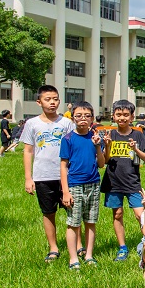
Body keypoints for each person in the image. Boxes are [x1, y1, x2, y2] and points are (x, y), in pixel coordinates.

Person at [21, 85, 76, 263]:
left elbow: (74, 147)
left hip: (66, 175)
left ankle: (78, 245)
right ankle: (53, 247)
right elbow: (28, 151)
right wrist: (28, 178)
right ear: (39, 102)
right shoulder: (32, 124)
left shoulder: (67, 123)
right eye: (48, 99)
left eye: (55, 99)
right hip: (43, 175)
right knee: (48, 212)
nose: (52, 103)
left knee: (74, 211)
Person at [101, 99, 145, 262]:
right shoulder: (110, 134)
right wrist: (107, 145)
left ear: (132, 117)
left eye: (126, 115)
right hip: (113, 181)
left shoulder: (138, 134)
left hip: (132, 181)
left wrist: (135, 148)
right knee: (117, 214)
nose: (122, 118)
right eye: (118, 114)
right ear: (113, 116)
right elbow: (105, 161)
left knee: (140, 215)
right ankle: (122, 247)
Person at [59, 101, 105, 270]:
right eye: (78, 116)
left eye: (87, 116)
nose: (83, 119)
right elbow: (63, 166)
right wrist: (65, 191)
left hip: (93, 183)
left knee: (91, 221)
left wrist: (98, 146)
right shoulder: (68, 139)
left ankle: (89, 255)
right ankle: (73, 258)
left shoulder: (95, 138)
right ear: (73, 118)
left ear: (92, 118)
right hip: (75, 185)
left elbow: (101, 164)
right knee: (73, 223)